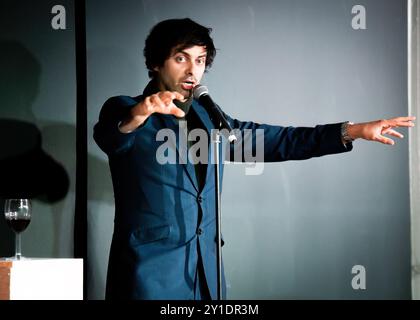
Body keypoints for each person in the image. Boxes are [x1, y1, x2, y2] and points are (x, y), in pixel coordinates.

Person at [93, 18, 415, 300]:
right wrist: (139, 113)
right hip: (149, 276)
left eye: (201, 60)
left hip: (207, 277)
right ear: (155, 63)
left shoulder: (211, 120)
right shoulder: (127, 110)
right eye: (181, 58)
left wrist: (353, 131)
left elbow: (278, 142)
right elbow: (112, 136)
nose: (193, 70)